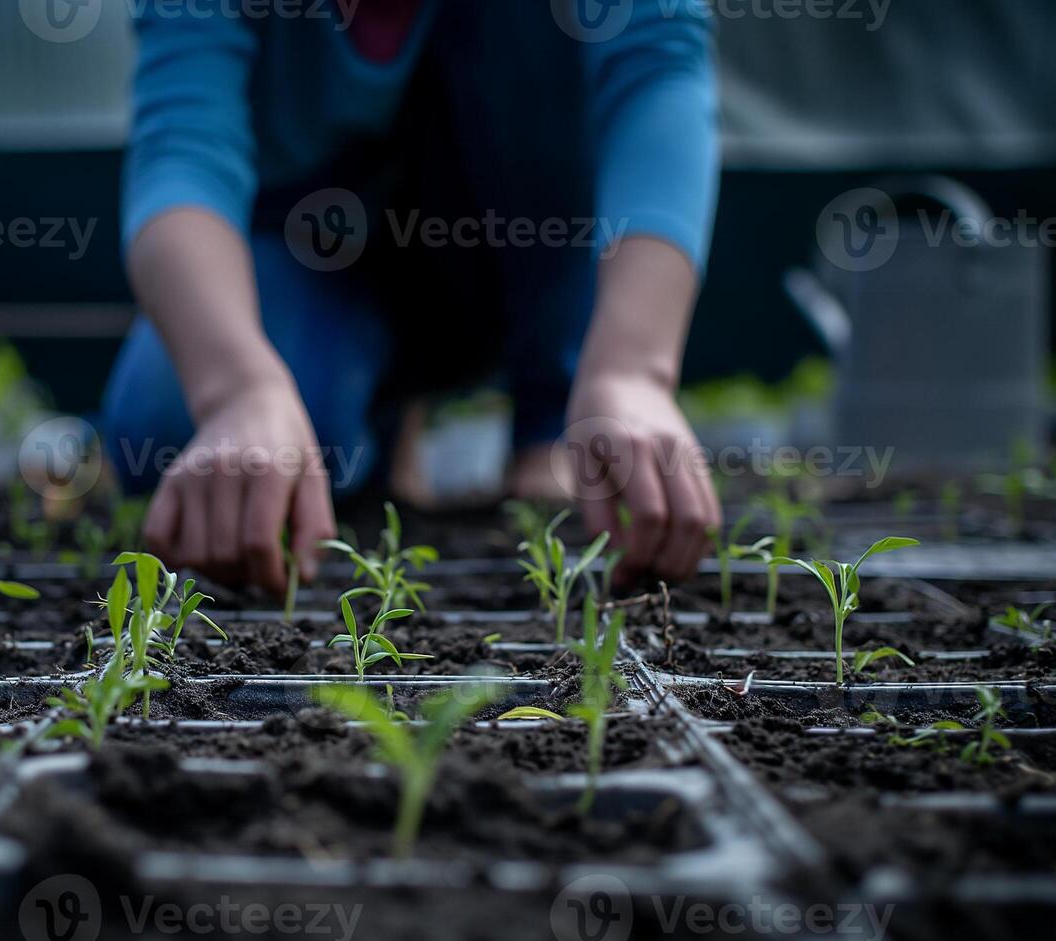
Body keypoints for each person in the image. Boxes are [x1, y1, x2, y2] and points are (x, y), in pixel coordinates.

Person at [100, 0, 721, 596]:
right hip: (313, 244)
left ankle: (552, 412)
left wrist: (635, 367)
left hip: (517, 241)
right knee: (168, 427)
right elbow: (183, 147)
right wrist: (234, 391)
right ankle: (375, 416)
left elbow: (657, 71)